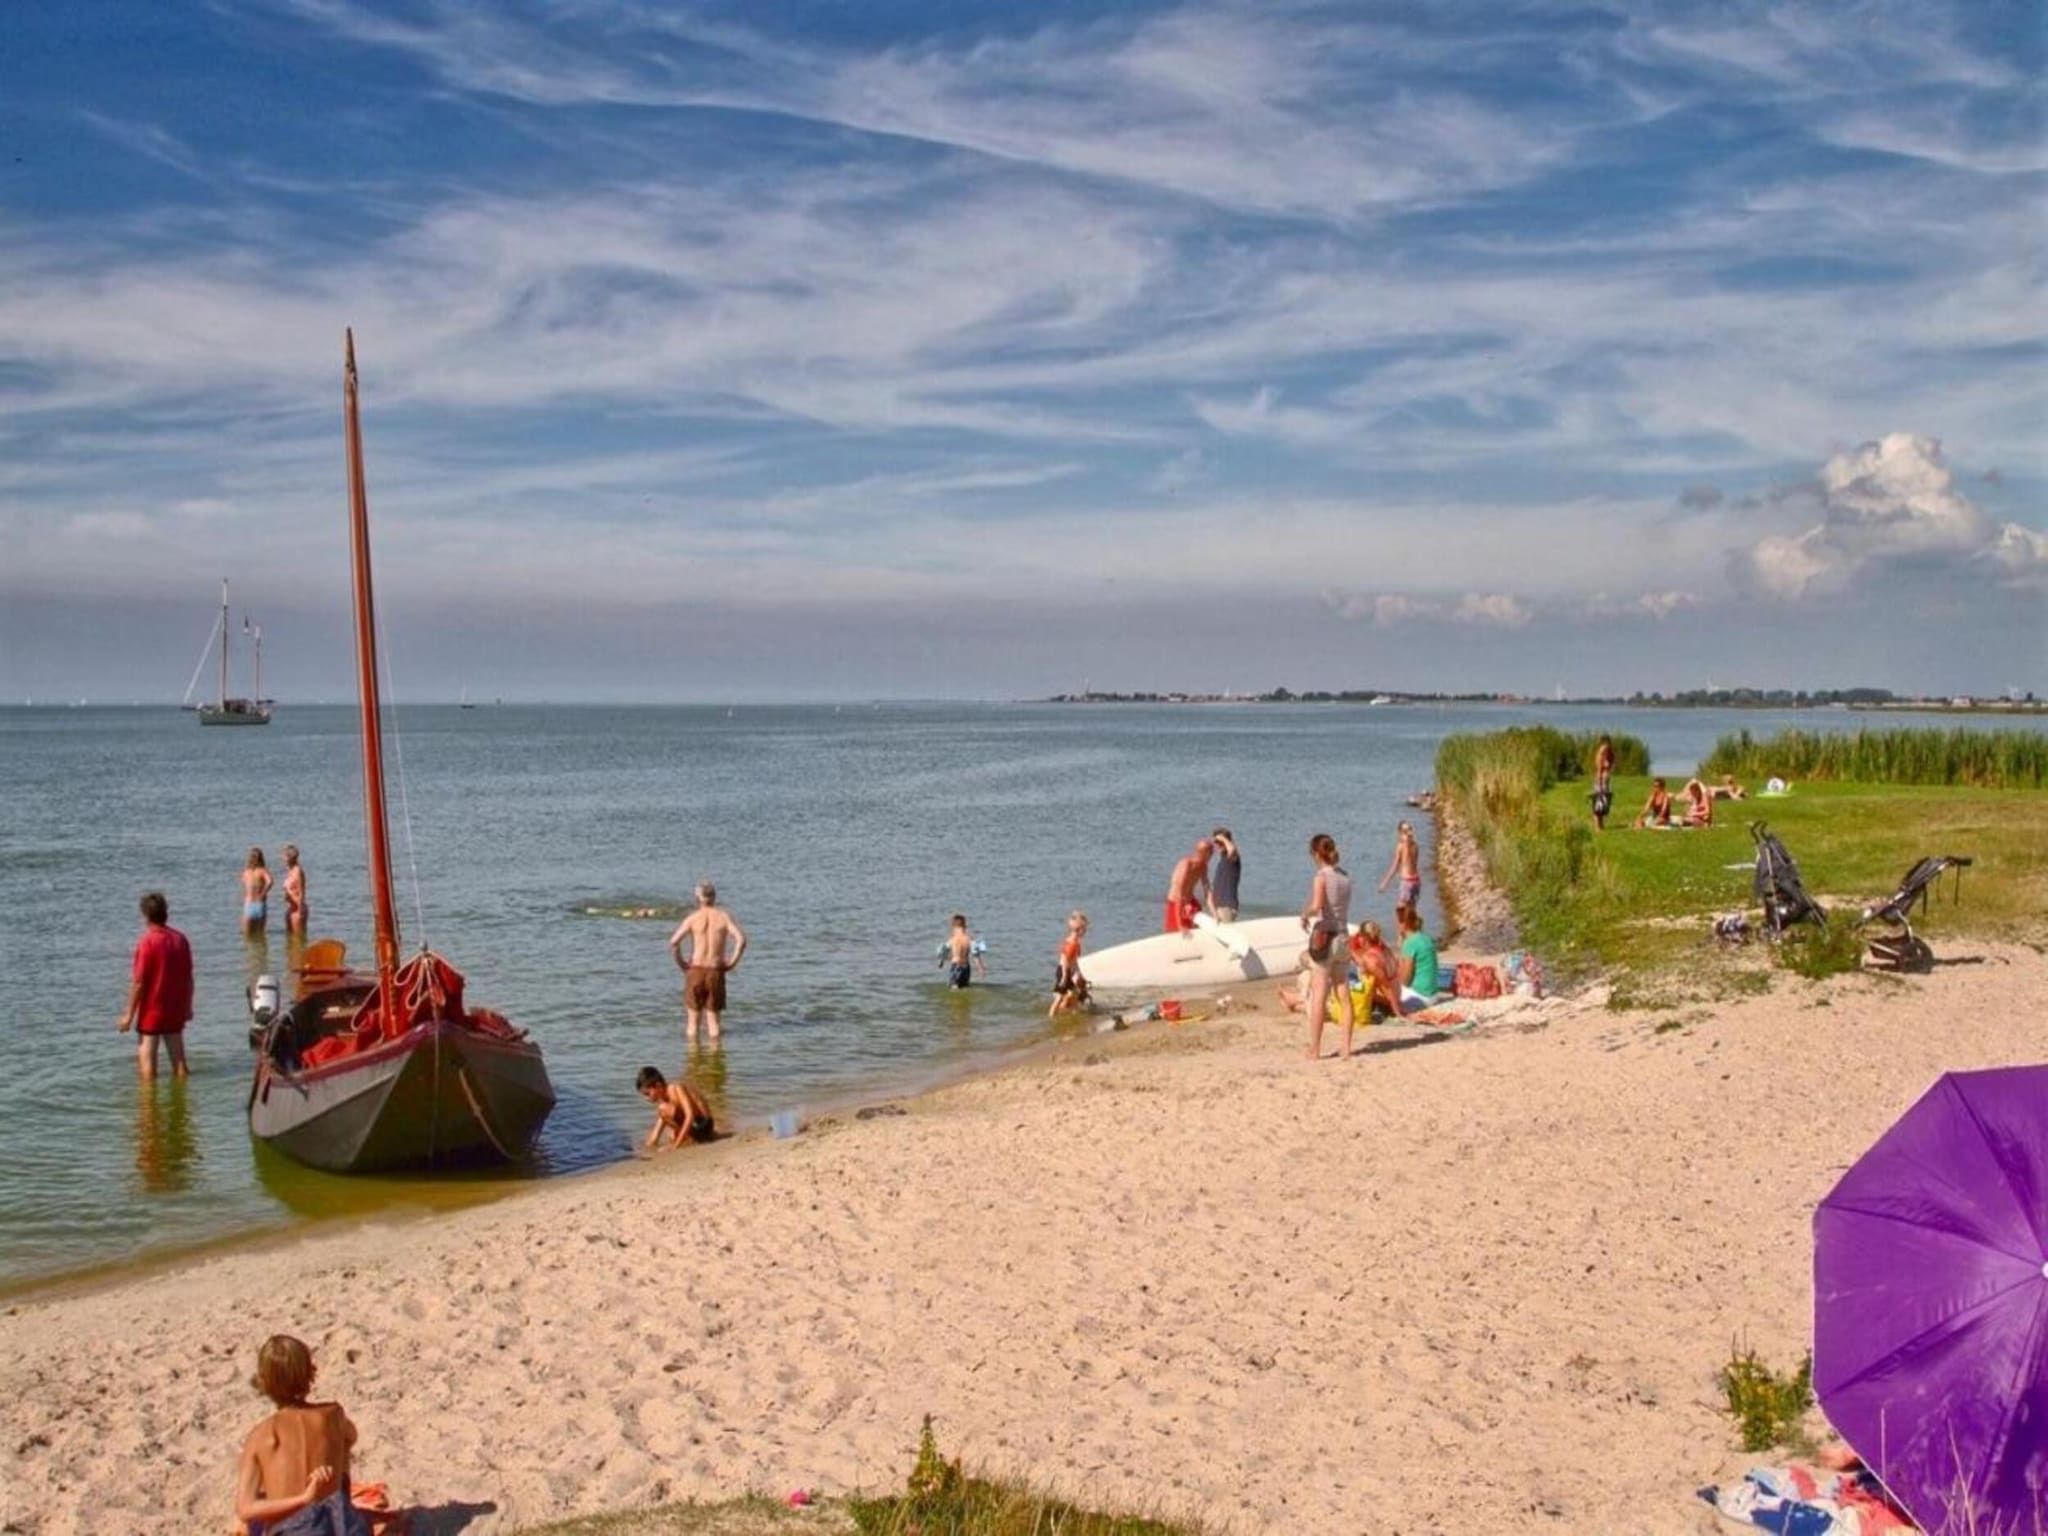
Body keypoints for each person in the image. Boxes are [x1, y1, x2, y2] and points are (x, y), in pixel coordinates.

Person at [234, 1335, 368, 1536]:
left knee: (250, 1509)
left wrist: (303, 1498)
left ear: (264, 1381)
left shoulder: (260, 1436)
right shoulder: (333, 1414)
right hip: (341, 1526)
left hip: (293, 1530)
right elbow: (352, 1438)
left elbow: (245, 1509)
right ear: (309, 1372)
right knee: (343, 1444)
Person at [119, 892, 193, 1080]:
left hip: (152, 1012)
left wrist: (128, 1016)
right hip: (175, 1009)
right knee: (180, 1065)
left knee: (147, 1071)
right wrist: (187, 1007)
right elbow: (189, 978)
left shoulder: (147, 942)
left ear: (145, 916)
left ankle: (149, 1100)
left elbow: (139, 983)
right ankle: (183, 1097)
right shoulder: (180, 939)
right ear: (165, 912)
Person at [667, 882, 747, 1041]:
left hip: (695, 970)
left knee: (692, 1023)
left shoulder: (692, 918)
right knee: (714, 1023)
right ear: (714, 897)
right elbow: (741, 940)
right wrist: (732, 963)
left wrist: (682, 963)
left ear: (697, 898)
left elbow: (674, 942)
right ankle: (716, 1055)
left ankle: (693, 1055)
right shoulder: (723, 917)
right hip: (715, 970)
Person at [1300, 833, 1354, 1060]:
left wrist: (1304, 914)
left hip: (1325, 938)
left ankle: (1315, 1049)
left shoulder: (1321, 876)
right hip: (1343, 936)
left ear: (1315, 854)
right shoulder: (1345, 877)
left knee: (1319, 995)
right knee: (1344, 994)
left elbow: (1317, 905)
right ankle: (1346, 1047)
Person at [636, 1066, 716, 1149]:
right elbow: (657, 1129)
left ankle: (691, 1139)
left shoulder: (676, 1088)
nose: (647, 1098)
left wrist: (675, 1146)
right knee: (670, 1133)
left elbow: (690, 1116)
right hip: (696, 1127)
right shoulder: (663, 1100)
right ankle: (688, 1138)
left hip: (704, 1126)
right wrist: (648, 1146)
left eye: (647, 1094)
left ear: (658, 1085)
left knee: (663, 1109)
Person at [1394, 902, 1441, 1014]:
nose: (1395, 926)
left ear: (1403, 924)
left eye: (1397, 922)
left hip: (1420, 997)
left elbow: (1405, 980)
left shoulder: (1410, 943)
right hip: (1433, 994)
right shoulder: (1426, 938)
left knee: (1383, 993)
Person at [1164, 839, 1212, 932]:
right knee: (1176, 931)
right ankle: (1179, 928)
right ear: (1204, 853)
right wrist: (1180, 925)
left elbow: (1207, 889)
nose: (1212, 855)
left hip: (1190, 901)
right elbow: (1179, 892)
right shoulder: (1186, 864)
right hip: (1176, 902)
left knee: (1197, 925)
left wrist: (1214, 913)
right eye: (1211, 852)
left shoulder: (1203, 866)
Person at [1049, 910, 1090, 1017]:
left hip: (1068, 971)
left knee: (1074, 994)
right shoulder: (1071, 943)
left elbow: (1074, 961)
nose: (1085, 932)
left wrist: (1079, 973)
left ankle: (1072, 1014)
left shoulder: (1076, 943)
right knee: (1059, 998)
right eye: (1084, 930)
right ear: (1079, 930)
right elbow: (1065, 960)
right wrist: (1064, 976)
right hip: (1063, 971)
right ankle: (1052, 1018)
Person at [1377, 821, 1422, 909]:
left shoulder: (1402, 846)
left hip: (1407, 882)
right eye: (1405, 831)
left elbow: (1396, 866)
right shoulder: (1415, 845)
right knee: (1411, 910)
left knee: (1401, 910)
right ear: (1400, 833)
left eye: (1409, 829)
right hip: (1416, 881)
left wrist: (1385, 883)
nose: (1408, 833)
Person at [938, 913, 988, 990]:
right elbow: (975, 955)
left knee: (954, 987)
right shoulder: (969, 939)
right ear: (965, 925)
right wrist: (981, 969)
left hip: (956, 966)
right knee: (964, 987)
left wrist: (941, 962)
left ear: (953, 927)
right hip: (966, 967)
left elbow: (943, 951)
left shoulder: (952, 939)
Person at [1206, 829, 1241, 922]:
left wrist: (1223, 839)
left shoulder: (1233, 858)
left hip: (1227, 907)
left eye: (1220, 843)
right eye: (1216, 843)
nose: (1217, 845)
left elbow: (1232, 850)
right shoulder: (1222, 860)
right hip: (1218, 908)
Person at [241, 847, 272, 937]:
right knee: (253, 935)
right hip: (253, 904)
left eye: (255, 857)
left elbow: (270, 881)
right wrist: (262, 893)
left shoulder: (259, 871)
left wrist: (263, 893)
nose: (254, 859)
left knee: (253, 935)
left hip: (255, 904)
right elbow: (270, 882)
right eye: (253, 857)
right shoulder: (248, 872)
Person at [281, 845, 308, 937]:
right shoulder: (290, 871)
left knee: (298, 939)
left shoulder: (298, 871)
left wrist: (300, 912)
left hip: (298, 909)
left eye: (284, 856)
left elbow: (301, 892)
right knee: (289, 940)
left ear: (290, 858)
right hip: (291, 908)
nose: (283, 859)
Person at [1592, 735, 1616, 830]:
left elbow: (1613, 762)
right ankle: (1597, 826)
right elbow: (1599, 770)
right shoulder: (1600, 754)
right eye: (1605, 745)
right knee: (1598, 802)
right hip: (1600, 780)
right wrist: (1600, 784)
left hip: (1606, 781)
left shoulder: (1609, 753)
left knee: (1604, 803)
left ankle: (1601, 825)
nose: (1607, 746)